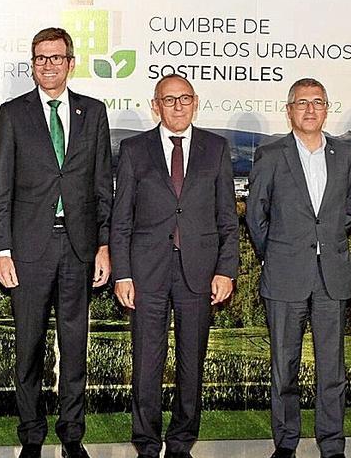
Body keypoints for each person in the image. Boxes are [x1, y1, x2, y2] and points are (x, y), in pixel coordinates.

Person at [0, 27, 113, 458]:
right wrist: (1, 250)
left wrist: (103, 245)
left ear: (70, 63)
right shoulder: (13, 113)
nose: (48, 65)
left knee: (74, 347)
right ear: (33, 63)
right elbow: (0, 188)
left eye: (56, 57)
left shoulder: (93, 113)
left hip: (79, 248)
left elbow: (102, 186)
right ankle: (31, 435)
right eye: (41, 58)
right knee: (29, 348)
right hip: (28, 251)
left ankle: (72, 433)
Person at [111, 74, 238, 458]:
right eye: (169, 100)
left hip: (199, 271)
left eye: (185, 98)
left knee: (191, 363)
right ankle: (146, 443)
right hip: (146, 272)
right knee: (147, 364)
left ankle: (182, 442)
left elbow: (227, 217)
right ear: (156, 106)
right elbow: (121, 220)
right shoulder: (134, 149)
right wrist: (123, 273)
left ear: (195, 102)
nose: (178, 106)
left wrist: (225, 269)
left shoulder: (216, 148)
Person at [246, 78, 351, 458]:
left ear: (327, 108)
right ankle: (286, 442)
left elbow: (348, 211)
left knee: (333, 370)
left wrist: (322, 245)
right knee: (284, 368)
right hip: (283, 274)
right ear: (289, 110)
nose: (310, 110)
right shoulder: (271, 153)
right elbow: (255, 216)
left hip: (332, 276)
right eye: (302, 103)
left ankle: (332, 444)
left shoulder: (346, 154)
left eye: (317, 102)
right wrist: (277, 253)